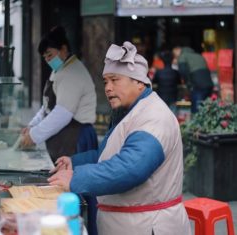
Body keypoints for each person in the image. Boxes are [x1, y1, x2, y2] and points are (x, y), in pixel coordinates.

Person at [48, 41, 192, 235]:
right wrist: (74, 163)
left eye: (115, 80)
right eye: (106, 81)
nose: (108, 88)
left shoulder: (153, 117)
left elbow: (129, 168)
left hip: (149, 226)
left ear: (139, 82)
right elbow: (110, 154)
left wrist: (76, 178)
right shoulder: (130, 111)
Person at [20, 26, 98, 234]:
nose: (48, 60)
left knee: (77, 192)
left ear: (64, 50)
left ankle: (78, 228)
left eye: (50, 54)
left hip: (77, 138)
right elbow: (47, 108)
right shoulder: (59, 71)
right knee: (62, 187)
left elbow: (62, 114)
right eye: (45, 57)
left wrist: (34, 136)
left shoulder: (73, 73)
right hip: (63, 137)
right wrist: (32, 126)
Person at [172, 46, 213, 113]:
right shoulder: (198, 55)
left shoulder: (182, 56)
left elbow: (183, 71)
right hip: (209, 85)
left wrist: (188, 84)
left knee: (196, 111)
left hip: (198, 85)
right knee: (206, 110)